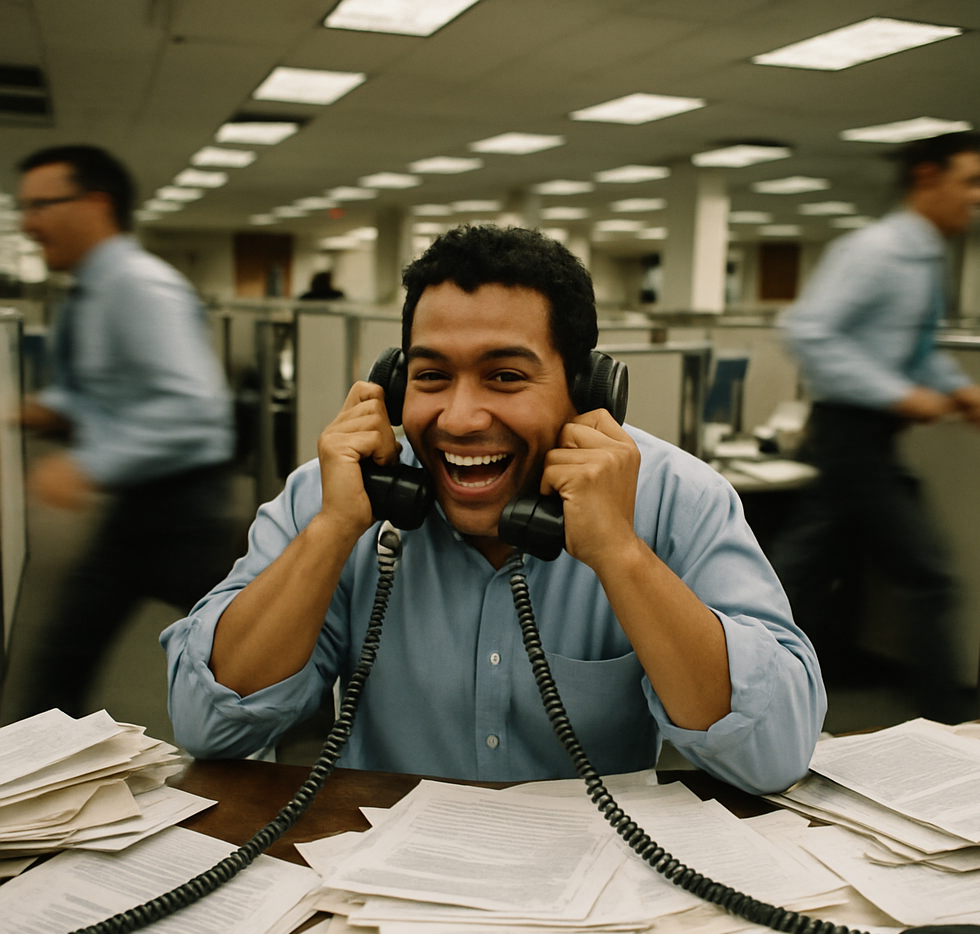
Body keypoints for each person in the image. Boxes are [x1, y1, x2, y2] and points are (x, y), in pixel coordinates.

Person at [163, 225, 824, 795]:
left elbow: (774, 754)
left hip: (595, 886)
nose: (459, 416)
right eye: (431, 377)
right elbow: (206, 723)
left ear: (586, 391)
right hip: (381, 878)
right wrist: (334, 531)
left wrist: (620, 554)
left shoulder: (678, 499)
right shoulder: (333, 496)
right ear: (395, 386)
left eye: (505, 376)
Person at [772, 133, 980, 723]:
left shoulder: (925, 258)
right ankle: (949, 723)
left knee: (801, 568)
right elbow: (809, 331)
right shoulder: (875, 250)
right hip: (850, 430)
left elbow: (913, 351)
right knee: (929, 575)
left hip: (870, 436)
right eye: (970, 180)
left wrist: (955, 386)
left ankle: (732, 646)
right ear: (928, 177)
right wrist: (897, 394)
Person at [16, 145, 237, 720]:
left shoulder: (137, 285)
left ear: (96, 204)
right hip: (144, 502)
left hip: (180, 504)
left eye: (41, 205)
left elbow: (194, 406)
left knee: (253, 631)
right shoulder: (95, 289)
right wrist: (44, 409)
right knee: (67, 653)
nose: (27, 223)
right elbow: (107, 388)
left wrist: (90, 464)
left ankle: (329, 717)